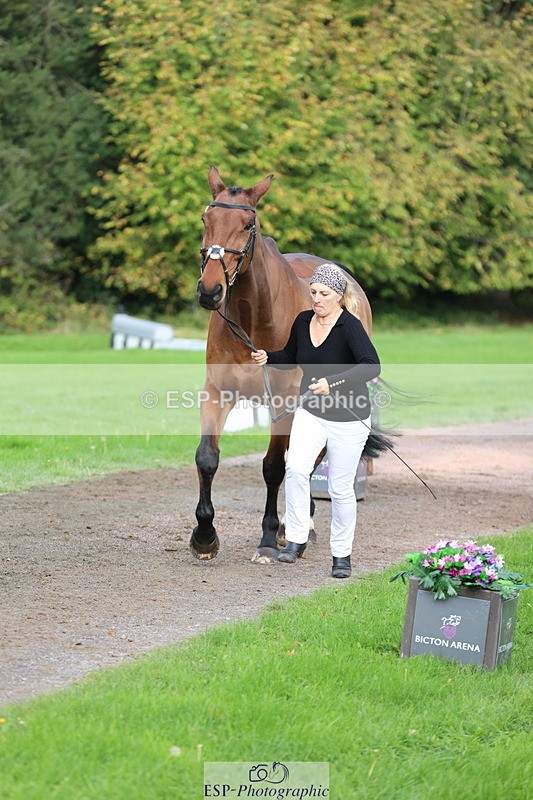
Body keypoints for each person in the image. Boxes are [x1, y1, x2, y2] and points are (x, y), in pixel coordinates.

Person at [251, 263, 380, 578]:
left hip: (349, 418)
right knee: (295, 468)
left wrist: (333, 383)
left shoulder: (349, 326)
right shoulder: (303, 320)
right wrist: (269, 356)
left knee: (339, 488)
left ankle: (341, 555)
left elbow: (371, 366)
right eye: (313, 292)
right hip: (311, 412)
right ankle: (295, 539)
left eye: (324, 293)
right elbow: (292, 356)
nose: (317, 299)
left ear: (338, 296)